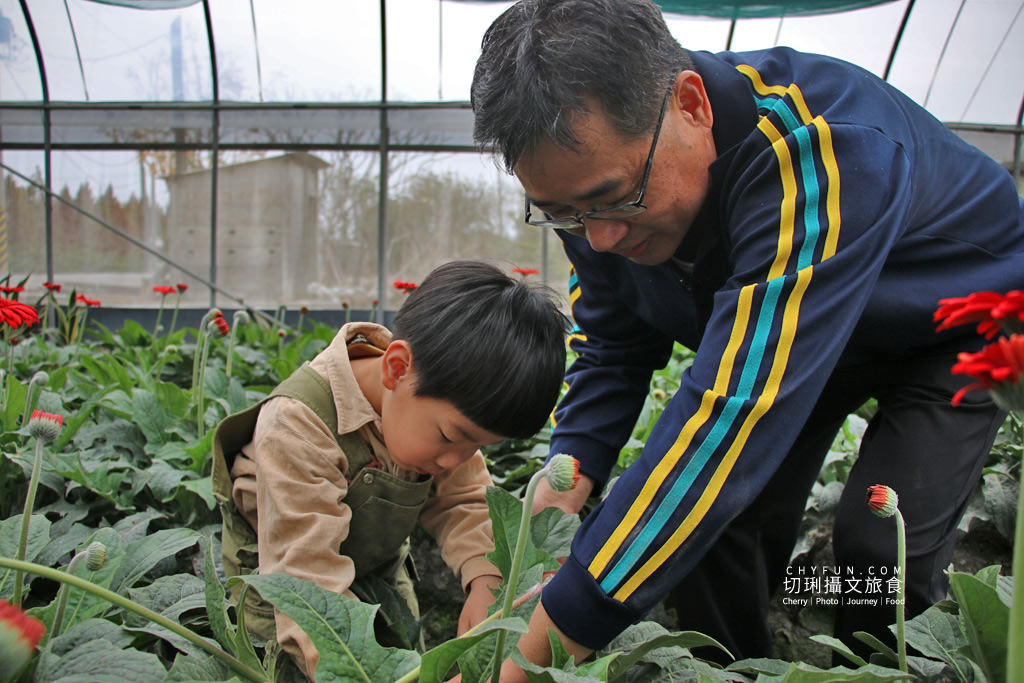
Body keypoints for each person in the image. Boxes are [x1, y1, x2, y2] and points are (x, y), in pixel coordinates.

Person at [469, 0, 1024, 678]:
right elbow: (614, 348)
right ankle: (734, 670)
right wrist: (549, 518)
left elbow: (733, 417)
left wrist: (533, 656)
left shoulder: (816, 145)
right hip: (805, 338)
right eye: (562, 212)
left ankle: (885, 667)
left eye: (617, 198)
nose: (600, 237)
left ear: (691, 105)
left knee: (881, 546)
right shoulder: (590, 203)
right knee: (715, 532)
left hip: (953, 325)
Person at [211, 260, 568, 679]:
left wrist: (485, 578)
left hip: (378, 572)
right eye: (452, 437)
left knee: (406, 660)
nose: (456, 460)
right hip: (283, 595)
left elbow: (464, 500)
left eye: (480, 446)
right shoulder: (297, 426)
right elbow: (307, 585)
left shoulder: (438, 410)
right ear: (397, 368)